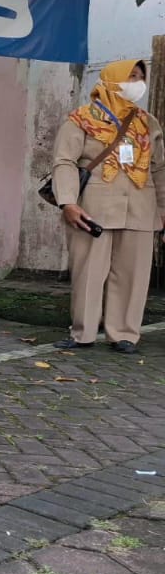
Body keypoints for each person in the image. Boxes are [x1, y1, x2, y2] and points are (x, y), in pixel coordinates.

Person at [52, 59, 165, 354]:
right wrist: (68, 202)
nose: (137, 82)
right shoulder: (80, 118)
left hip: (141, 206)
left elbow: (159, 168)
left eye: (141, 77)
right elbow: (64, 161)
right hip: (94, 207)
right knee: (88, 270)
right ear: (112, 78)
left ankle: (125, 334)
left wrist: (163, 209)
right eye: (131, 76)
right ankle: (83, 332)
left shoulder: (147, 122)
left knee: (133, 274)